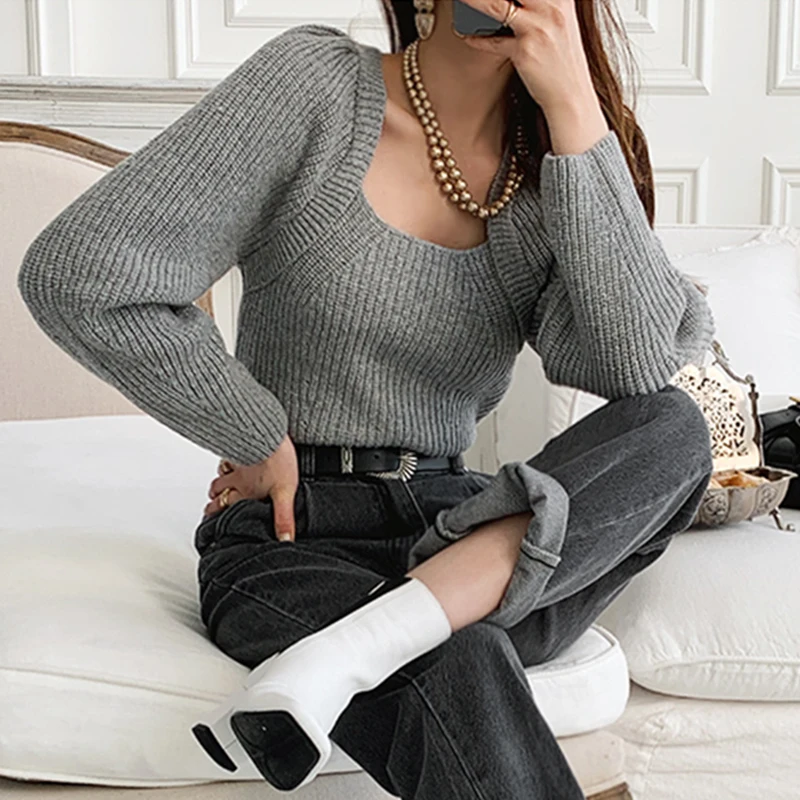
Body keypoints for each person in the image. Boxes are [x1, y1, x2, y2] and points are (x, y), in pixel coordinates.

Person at [17, 0, 715, 796]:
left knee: (674, 426)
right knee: (459, 653)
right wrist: (252, 430)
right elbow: (81, 274)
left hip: (466, 531)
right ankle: (394, 631)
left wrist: (574, 106)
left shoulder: (553, 171)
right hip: (297, 536)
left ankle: (358, 646)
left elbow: (639, 367)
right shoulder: (316, 89)